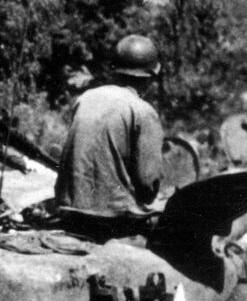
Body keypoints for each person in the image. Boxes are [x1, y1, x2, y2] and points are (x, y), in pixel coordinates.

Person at [53, 34, 169, 236]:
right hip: (114, 220)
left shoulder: (86, 98)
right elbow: (147, 185)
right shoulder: (142, 111)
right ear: (150, 77)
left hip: (71, 211)